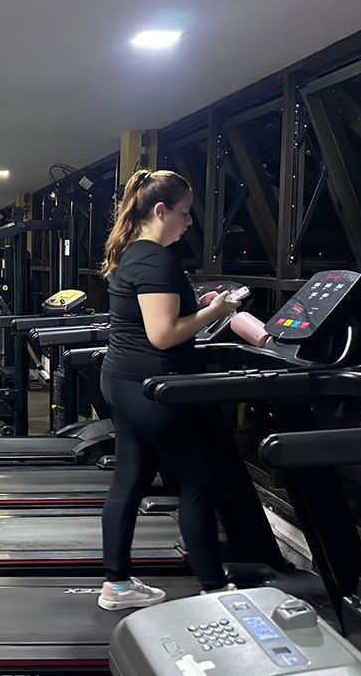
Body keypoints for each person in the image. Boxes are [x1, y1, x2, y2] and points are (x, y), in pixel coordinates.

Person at [96, 169, 240, 611]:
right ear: (161, 211)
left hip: (123, 381)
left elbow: (155, 318)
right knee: (198, 480)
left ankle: (117, 586)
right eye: (185, 212)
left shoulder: (133, 254)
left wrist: (197, 306)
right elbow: (163, 335)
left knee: (130, 478)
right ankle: (214, 587)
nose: (189, 222)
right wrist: (217, 311)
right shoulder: (157, 260)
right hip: (153, 388)